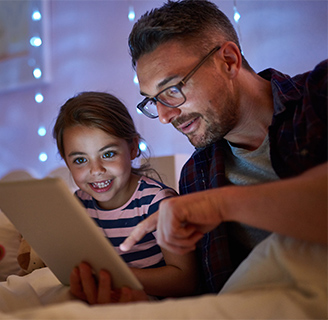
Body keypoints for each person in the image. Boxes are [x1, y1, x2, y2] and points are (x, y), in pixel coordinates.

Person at [75, 0, 327, 303]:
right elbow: (210, 291)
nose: (166, 116)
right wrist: (141, 304)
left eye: (172, 89)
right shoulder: (198, 173)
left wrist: (219, 205)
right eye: (154, 100)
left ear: (229, 61)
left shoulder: (318, 98)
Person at [52, 91, 199, 303]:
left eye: (108, 154)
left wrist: (118, 278)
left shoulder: (158, 203)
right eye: (80, 160)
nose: (96, 170)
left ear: (132, 148)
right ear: (67, 162)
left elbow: (185, 280)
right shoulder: (79, 204)